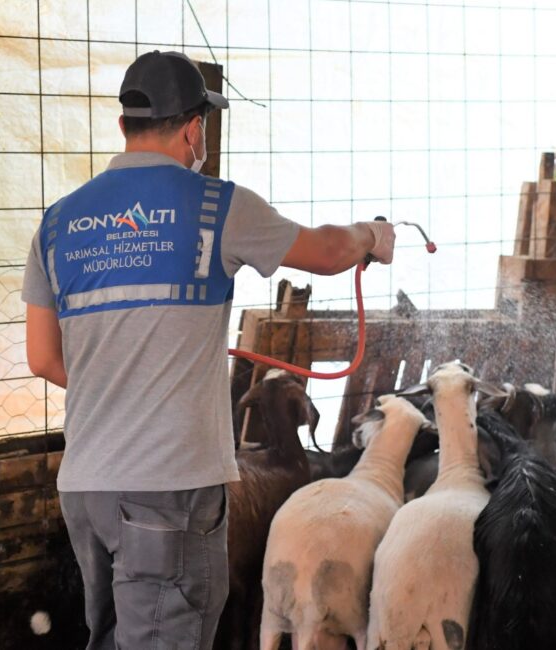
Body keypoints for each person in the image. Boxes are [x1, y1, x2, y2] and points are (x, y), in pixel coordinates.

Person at [22, 50, 395, 650]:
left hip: (87, 487)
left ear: (125, 126)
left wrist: (120, 389)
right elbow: (325, 254)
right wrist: (372, 236)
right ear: (194, 128)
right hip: (168, 488)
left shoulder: (58, 223)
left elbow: (42, 358)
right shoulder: (217, 206)